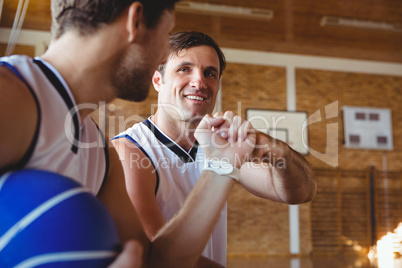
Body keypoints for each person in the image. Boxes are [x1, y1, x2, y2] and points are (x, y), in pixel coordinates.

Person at [0, 1, 257, 267]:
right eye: (166, 34)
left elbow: (156, 261)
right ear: (135, 22)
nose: (161, 58)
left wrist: (221, 165)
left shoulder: (99, 152)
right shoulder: (11, 96)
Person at [112, 31, 317, 267]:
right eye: (184, 69)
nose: (199, 82)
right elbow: (157, 258)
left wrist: (269, 146)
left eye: (210, 73)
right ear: (158, 81)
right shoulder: (129, 150)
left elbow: (301, 192)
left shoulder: (219, 143)